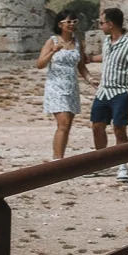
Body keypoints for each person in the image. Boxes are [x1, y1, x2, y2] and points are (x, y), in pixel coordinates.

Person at [88, 7, 128, 182]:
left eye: (101, 22)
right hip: (103, 91)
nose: (100, 26)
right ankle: (101, 161)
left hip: (120, 92)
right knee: (97, 126)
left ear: (110, 24)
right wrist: (89, 58)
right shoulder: (107, 41)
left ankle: (122, 164)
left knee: (119, 129)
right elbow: (106, 57)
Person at [38, 10, 96, 160]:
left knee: (68, 124)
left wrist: (90, 79)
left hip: (71, 87)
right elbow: (40, 64)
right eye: (68, 22)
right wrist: (51, 53)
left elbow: (81, 65)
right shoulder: (53, 41)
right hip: (56, 86)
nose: (72, 25)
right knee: (63, 123)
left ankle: (60, 157)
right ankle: (57, 160)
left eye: (74, 22)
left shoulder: (78, 42)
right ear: (60, 24)